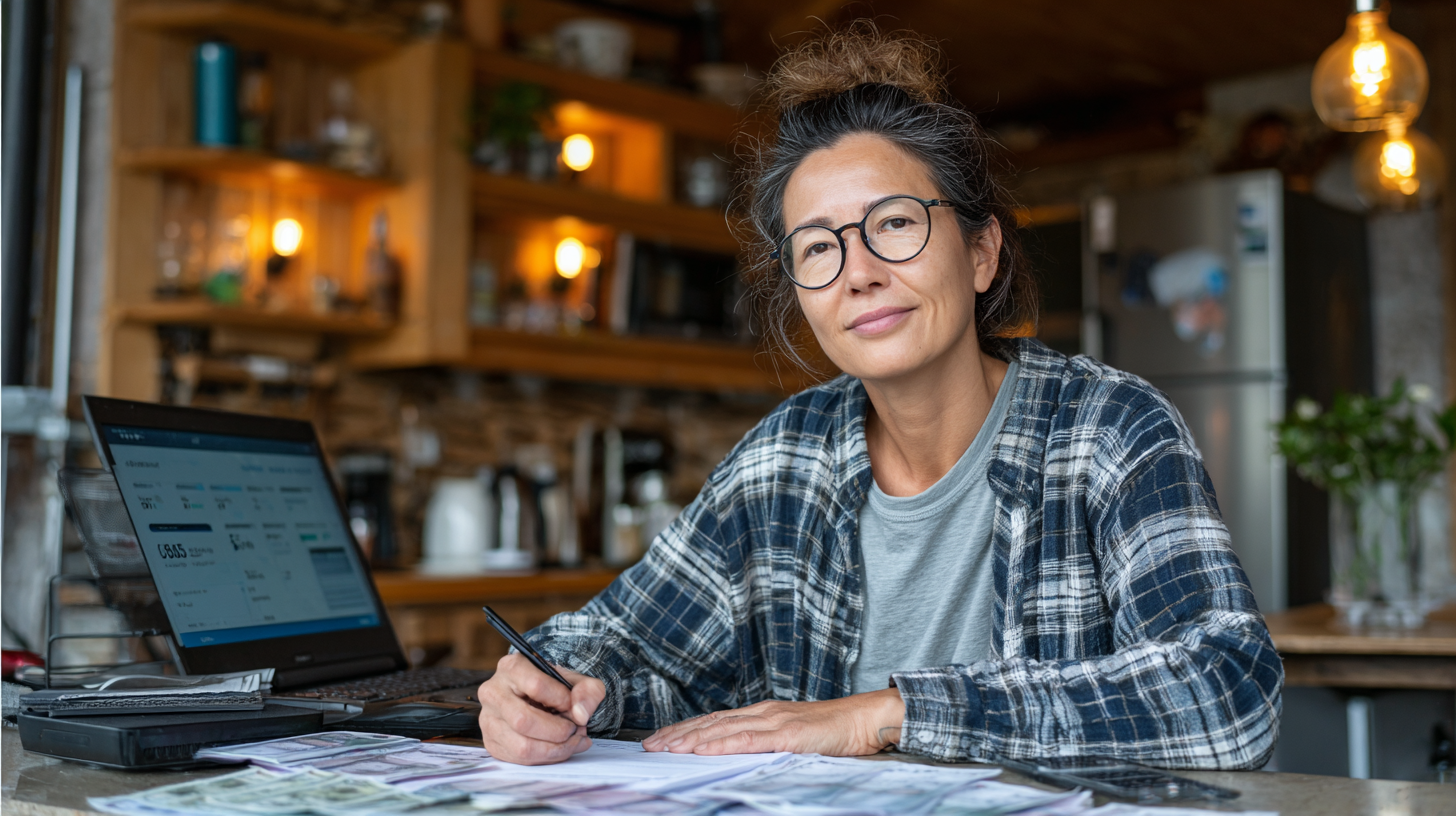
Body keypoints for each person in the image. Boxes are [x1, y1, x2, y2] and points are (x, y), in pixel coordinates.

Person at [475, 22, 1283, 770]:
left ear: (980, 252)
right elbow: (628, 646)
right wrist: (550, 688)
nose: (858, 271)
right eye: (819, 246)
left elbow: (1227, 693)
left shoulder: (1109, 429)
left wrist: (883, 714)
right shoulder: (784, 459)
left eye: (894, 224)